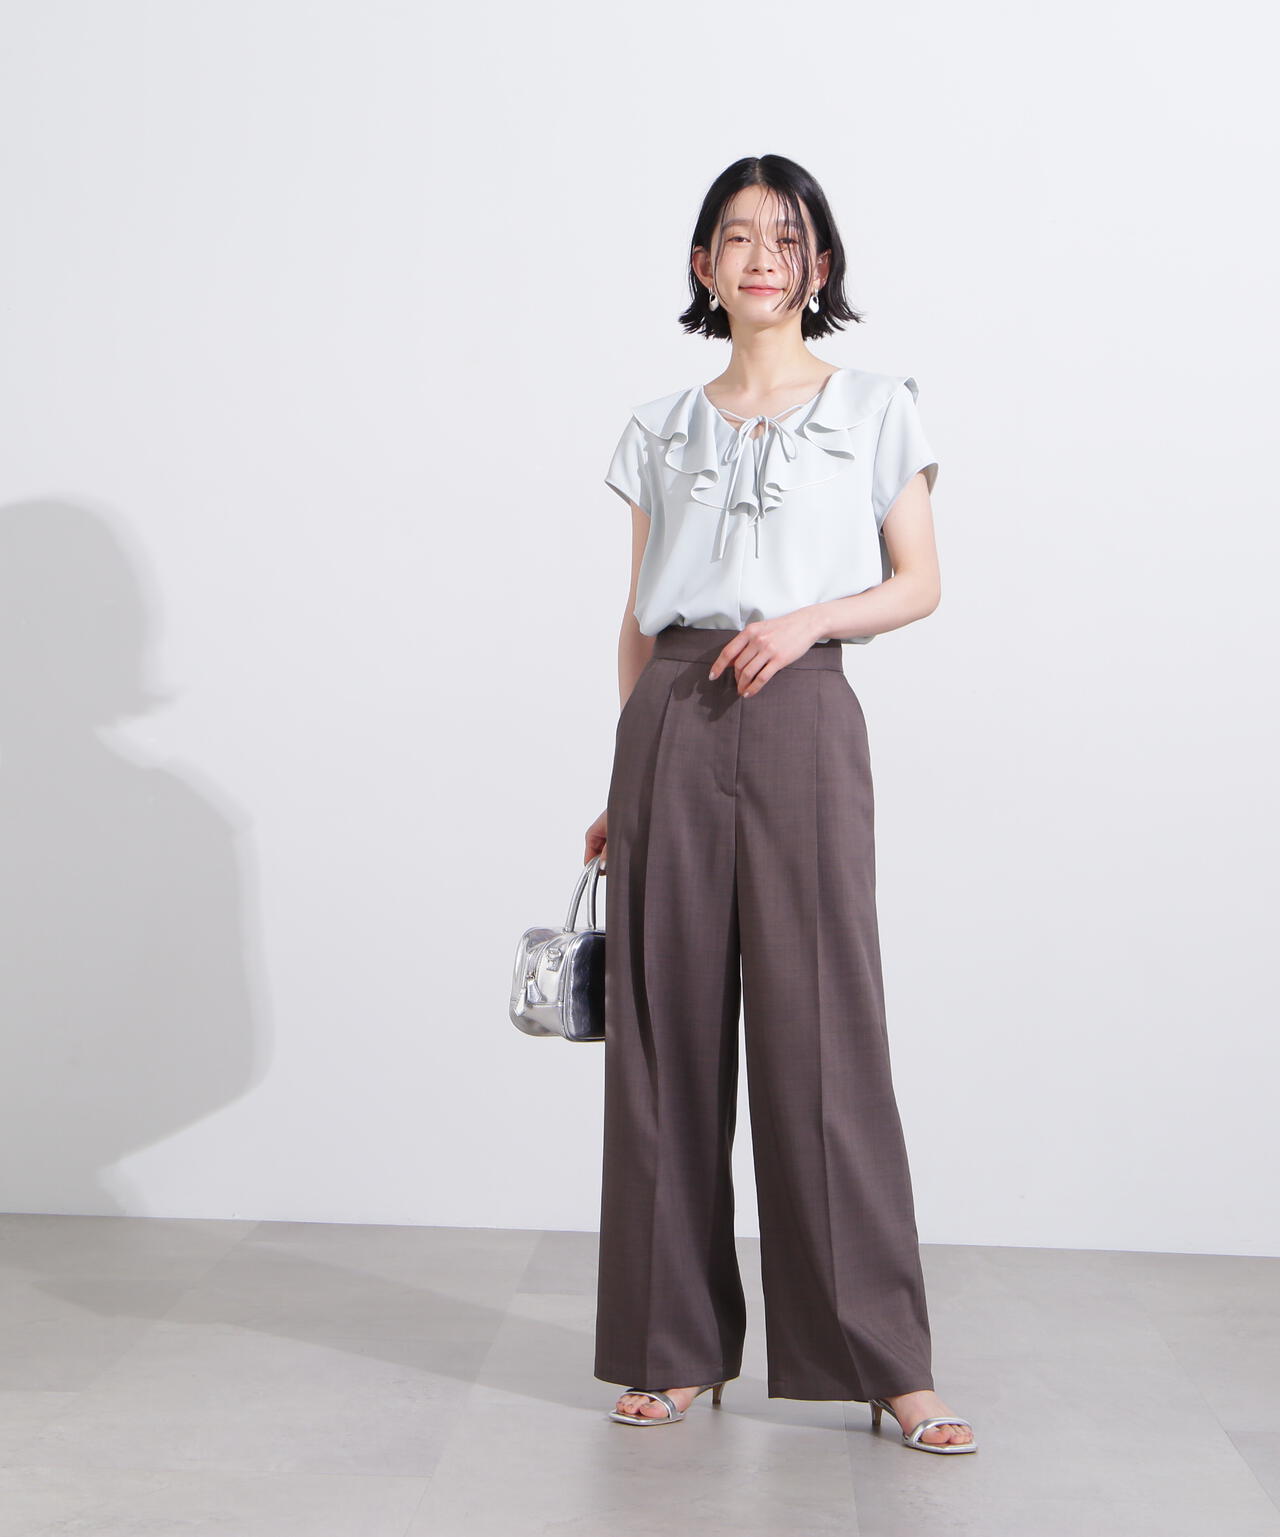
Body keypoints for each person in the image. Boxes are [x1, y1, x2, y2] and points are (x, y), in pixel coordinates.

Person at [583, 155, 976, 1454]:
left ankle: (885, 1360)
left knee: (825, 1036)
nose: (763, 256)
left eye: (788, 236)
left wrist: (809, 623)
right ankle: (670, 1347)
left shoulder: (874, 408)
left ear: (821, 264)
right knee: (664, 1039)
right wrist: (620, 779)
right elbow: (637, 620)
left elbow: (917, 581)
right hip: (672, 718)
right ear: (702, 265)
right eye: (739, 236)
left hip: (804, 710)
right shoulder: (659, 428)